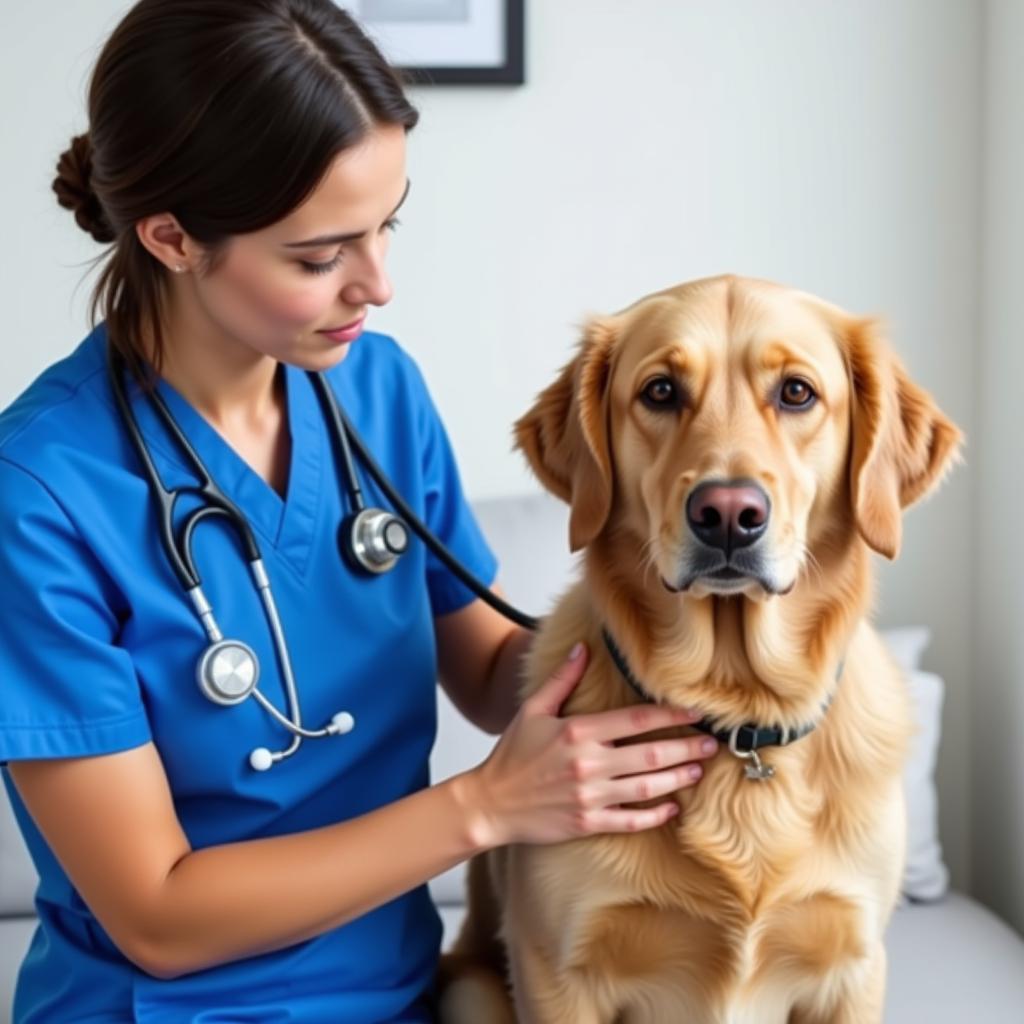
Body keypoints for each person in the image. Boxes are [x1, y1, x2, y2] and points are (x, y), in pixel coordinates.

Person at [0, 1, 718, 1020]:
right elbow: (155, 917)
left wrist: (661, 647)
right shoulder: (37, 496)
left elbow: (481, 667)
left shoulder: (375, 393)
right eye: (319, 256)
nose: (377, 283)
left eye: (389, 225)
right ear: (169, 237)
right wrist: (483, 804)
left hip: (405, 996)